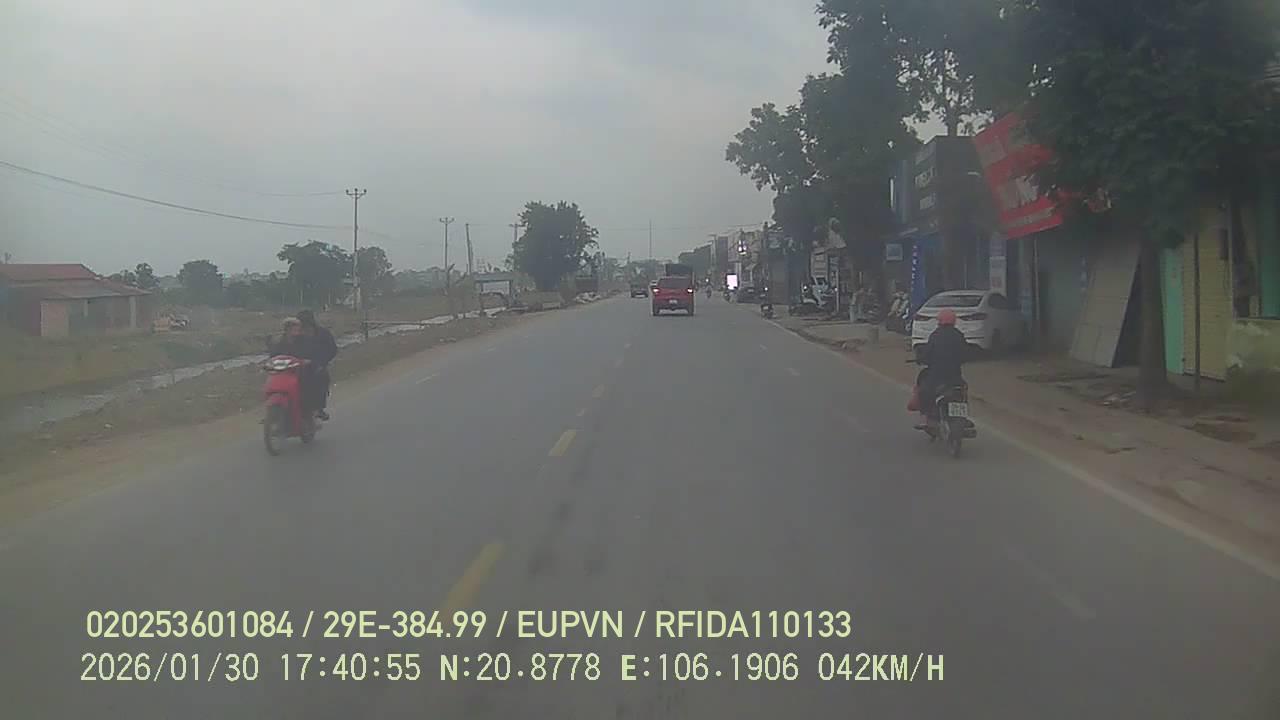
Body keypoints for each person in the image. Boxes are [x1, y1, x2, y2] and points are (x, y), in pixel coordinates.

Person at [911, 309, 968, 421]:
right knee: (963, 392)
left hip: (937, 377)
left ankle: (928, 415)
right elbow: (965, 354)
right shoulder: (959, 335)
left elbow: (927, 354)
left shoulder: (935, 335)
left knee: (924, 391)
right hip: (955, 376)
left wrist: (920, 358)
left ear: (940, 321)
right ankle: (963, 417)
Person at [295, 309, 337, 420]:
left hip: (316, 366)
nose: (304, 328)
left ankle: (319, 408)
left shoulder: (323, 333)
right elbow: (283, 346)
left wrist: (321, 362)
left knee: (322, 379)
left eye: (306, 324)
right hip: (296, 366)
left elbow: (332, 350)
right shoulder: (294, 334)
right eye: (301, 324)